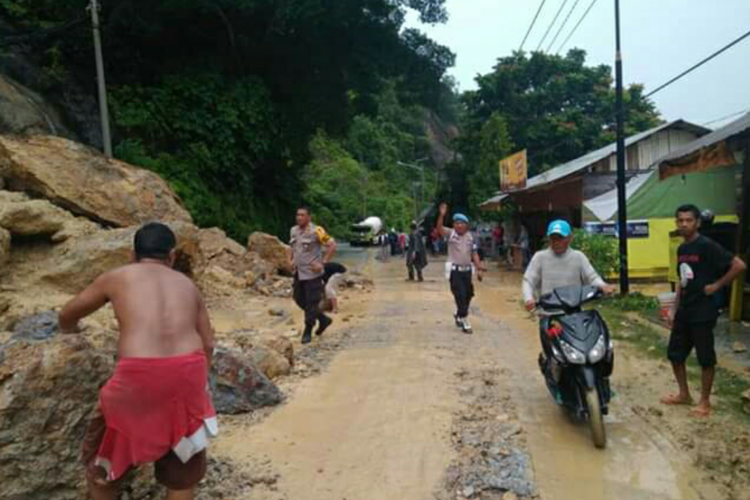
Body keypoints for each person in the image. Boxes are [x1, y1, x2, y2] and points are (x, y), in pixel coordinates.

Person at [58, 222, 217, 500]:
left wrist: (71, 333)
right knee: (181, 475)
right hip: (188, 372)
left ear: (133, 254)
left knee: (103, 470)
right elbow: (208, 344)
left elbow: (68, 314)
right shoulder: (188, 286)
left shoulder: (117, 277)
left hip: (137, 374)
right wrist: (198, 385)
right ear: (171, 256)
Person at [661, 204, 746, 417]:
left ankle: (705, 402)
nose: (684, 224)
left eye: (688, 220)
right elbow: (682, 280)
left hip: (703, 311)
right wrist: (673, 309)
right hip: (685, 309)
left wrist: (717, 286)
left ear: (697, 222)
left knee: (705, 358)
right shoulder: (682, 249)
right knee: (675, 354)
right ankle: (684, 394)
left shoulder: (707, 245)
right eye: (680, 220)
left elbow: (739, 265)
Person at [522, 220, 616, 391]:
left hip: (574, 312)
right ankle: (555, 377)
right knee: (554, 352)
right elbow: (528, 280)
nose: (556, 242)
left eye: (560, 238)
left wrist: (603, 286)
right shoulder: (540, 257)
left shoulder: (578, 257)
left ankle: (600, 378)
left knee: (589, 343)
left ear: (570, 238)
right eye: (553, 238)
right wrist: (528, 298)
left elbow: (592, 276)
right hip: (549, 314)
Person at [288, 206, 337, 344]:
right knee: (298, 298)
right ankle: (323, 319)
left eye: (302, 215)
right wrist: (289, 260)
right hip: (298, 273)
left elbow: (332, 245)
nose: (299, 217)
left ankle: (308, 330)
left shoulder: (317, 231)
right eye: (297, 215)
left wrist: (323, 263)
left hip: (312, 274)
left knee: (311, 302)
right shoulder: (294, 230)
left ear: (309, 217)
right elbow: (291, 247)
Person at [436, 203, 486, 334]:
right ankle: (464, 320)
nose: (459, 225)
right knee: (460, 295)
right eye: (456, 223)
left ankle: (459, 314)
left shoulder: (470, 237)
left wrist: (479, 267)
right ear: (453, 225)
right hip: (455, 271)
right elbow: (439, 228)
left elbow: (474, 253)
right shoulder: (451, 234)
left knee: (468, 294)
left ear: (466, 225)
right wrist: (441, 215)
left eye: (461, 223)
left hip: (467, 271)